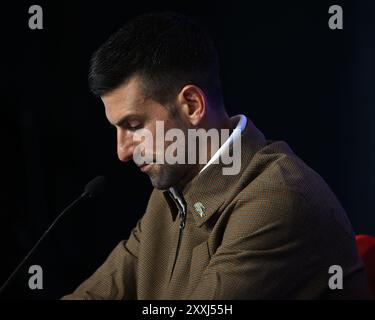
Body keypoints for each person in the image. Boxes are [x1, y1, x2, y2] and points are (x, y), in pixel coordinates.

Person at [62, 12, 372, 299]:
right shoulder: (170, 195)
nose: (122, 152)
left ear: (193, 105)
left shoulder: (276, 200)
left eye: (134, 125)